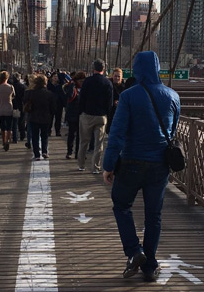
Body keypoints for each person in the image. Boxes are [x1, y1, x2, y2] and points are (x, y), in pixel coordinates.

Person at [102, 51, 179, 282]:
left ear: (136, 69)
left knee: (121, 205)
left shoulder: (128, 96)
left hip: (132, 162)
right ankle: (150, 267)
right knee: (153, 216)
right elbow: (172, 131)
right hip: (160, 166)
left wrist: (108, 165)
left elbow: (116, 134)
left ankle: (135, 252)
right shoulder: (173, 96)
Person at [78, 59, 114, 173]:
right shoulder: (108, 83)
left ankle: (81, 165)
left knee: (84, 142)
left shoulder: (87, 81)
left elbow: (81, 99)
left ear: (93, 68)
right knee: (99, 144)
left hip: (87, 115)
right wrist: (108, 116)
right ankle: (95, 167)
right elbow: (110, 103)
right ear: (103, 69)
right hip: (101, 116)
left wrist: (81, 112)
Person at [23, 74, 56, 160]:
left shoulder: (30, 93)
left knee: (35, 136)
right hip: (45, 117)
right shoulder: (49, 94)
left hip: (33, 117)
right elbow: (53, 108)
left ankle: (37, 154)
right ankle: (44, 151)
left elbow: (25, 102)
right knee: (44, 135)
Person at [63, 71, 86, 159]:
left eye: (83, 81)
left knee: (80, 135)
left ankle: (78, 152)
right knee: (71, 134)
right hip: (72, 113)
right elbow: (70, 95)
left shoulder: (85, 88)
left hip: (82, 114)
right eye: (80, 81)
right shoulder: (71, 86)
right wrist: (72, 85)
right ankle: (69, 151)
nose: (82, 83)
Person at [0, 71, 15, 151]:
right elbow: (13, 96)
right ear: (7, 78)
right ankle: (8, 140)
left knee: (2, 125)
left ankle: (4, 141)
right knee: (9, 125)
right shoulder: (10, 87)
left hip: (0, 108)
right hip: (9, 107)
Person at [106, 67, 125, 133]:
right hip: (110, 113)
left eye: (118, 76)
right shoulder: (108, 85)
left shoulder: (124, 87)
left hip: (120, 113)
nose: (117, 78)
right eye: (115, 76)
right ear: (112, 76)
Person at [10, 73, 26, 143]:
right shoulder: (23, 87)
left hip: (14, 106)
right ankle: (22, 135)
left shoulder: (11, 87)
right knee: (22, 122)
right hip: (21, 106)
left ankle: (15, 138)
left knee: (14, 123)